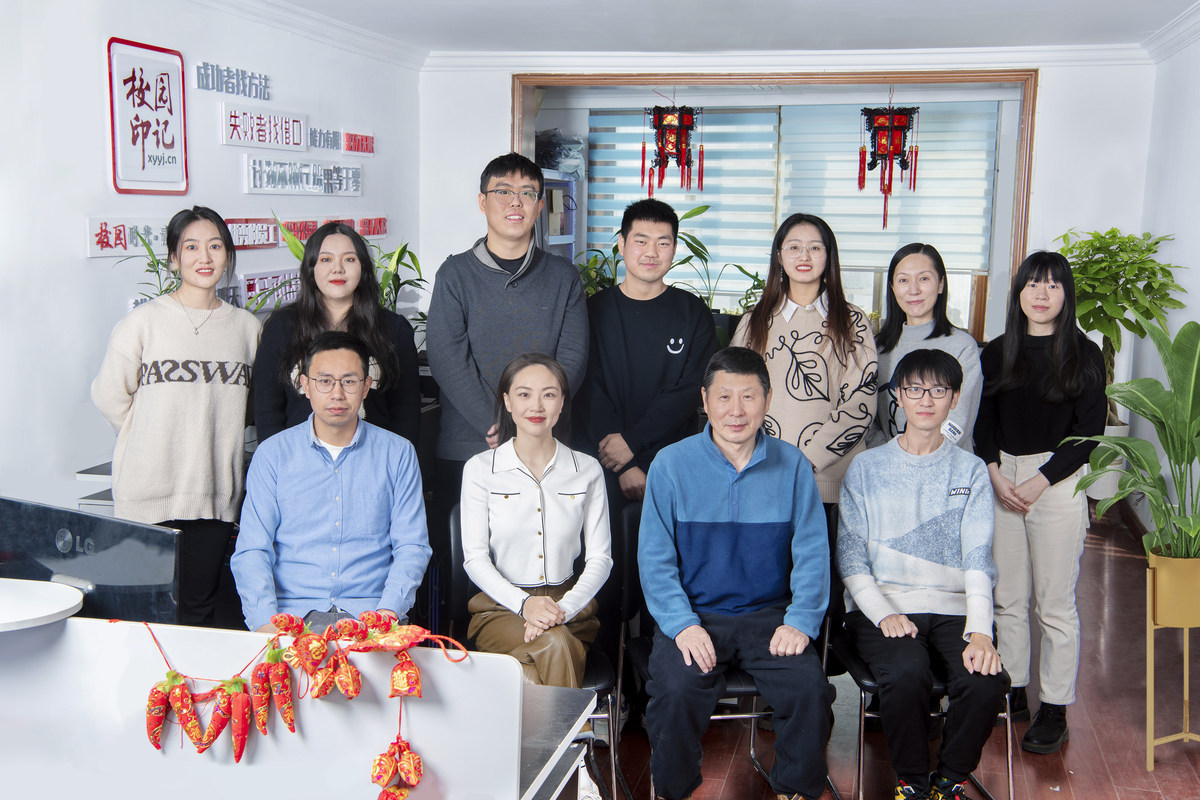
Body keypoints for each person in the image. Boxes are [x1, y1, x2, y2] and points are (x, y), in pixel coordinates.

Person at [638, 347, 834, 800]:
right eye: (724, 397)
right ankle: (672, 792)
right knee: (675, 691)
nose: (736, 410)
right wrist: (683, 625)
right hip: (696, 615)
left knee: (810, 691)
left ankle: (794, 791)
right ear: (705, 401)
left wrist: (801, 620)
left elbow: (812, 553)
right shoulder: (670, 464)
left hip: (770, 616)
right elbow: (655, 559)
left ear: (768, 400)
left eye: (749, 396)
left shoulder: (793, 465)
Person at [426, 152, 589, 627]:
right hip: (469, 446)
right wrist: (497, 422)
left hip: (547, 450)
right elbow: (447, 356)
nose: (515, 203)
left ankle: (547, 649)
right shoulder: (455, 274)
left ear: (540, 206)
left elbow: (572, 358)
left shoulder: (563, 277)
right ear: (483, 202)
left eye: (527, 194)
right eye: (503, 192)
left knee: (549, 563)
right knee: (467, 575)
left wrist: (531, 419)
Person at [839, 349, 1006, 800]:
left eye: (938, 390)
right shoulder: (867, 467)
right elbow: (850, 557)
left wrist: (981, 631)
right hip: (883, 605)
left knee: (984, 680)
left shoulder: (970, 470)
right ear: (897, 395)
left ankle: (949, 781)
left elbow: (978, 558)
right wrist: (882, 613)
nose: (926, 400)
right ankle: (911, 782)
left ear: (955, 398)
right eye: (914, 389)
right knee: (906, 671)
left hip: (953, 607)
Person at [92, 206, 261, 627]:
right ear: (173, 258)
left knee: (198, 613)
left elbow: (254, 405)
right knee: (143, 615)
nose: (204, 257)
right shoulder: (143, 322)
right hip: (146, 491)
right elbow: (108, 394)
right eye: (191, 247)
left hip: (213, 493)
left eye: (215, 246)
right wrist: (147, 438)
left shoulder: (246, 328)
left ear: (228, 255)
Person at [572, 198, 717, 668]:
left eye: (663, 242)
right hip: (603, 468)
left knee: (671, 576)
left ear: (675, 249)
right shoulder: (593, 310)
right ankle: (612, 685)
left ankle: (666, 678)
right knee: (605, 577)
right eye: (640, 240)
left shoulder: (692, 313)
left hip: (670, 469)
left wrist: (635, 450)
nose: (651, 252)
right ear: (621, 245)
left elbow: (688, 392)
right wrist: (623, 463)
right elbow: (588, 387)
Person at [973, 251, 1104, 754]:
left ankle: (1054, 707)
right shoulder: (998, 351)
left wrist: (1041, 479)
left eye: (1053, 285)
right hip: (1002, 477)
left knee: (1054, 603)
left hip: (1058, 481)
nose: (1042, 294)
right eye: (1033, 284)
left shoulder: (1085, 354)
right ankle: (1013, 691)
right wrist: (994, 471)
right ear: (1019, 292)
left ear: (1066, 294)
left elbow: (1088, 433)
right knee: (1007, 598)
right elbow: (984, 421)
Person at [731, 212, 877, 665]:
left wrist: (804, 461)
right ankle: (773, 676)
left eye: (815, 247)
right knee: (768, 584)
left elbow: (861, 400)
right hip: (763, 480)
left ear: (829, 257)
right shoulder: (755, 320)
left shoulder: (852, 321)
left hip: (826, 483)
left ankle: (814, 683)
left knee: (821, 587)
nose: (804, 256)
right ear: (779, 256)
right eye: (793, 247)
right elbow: (734, 397)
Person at [232, 331, 431, 633]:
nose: (337, 394)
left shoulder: (398, 453)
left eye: (349, 381)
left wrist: (388, 612)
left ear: (366, 386)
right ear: (305, 385)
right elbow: (252, 549)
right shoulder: (273, 454)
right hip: (291, 618)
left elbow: (412, 545)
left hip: (373, 616)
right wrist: (264, 624)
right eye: (324, 381)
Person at [460, 353, 612, 688]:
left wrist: (562, 609)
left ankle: (524, 715)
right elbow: (474, 559)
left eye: (549, 394)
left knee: (533, 670)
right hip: (501, 610)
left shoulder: (587, 469)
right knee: (555, 643)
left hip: (571, 608)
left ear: (562, 403)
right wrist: (525, 604)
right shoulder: (480, 470)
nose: (537, 406)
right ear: (507, 402)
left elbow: (601, 558)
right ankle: (571, 724)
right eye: (524, 394)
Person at [253, 221, 420, 446]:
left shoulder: (393, 329)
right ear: (311, 268)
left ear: (363, 267)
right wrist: (278, 460)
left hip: (374, 457)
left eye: (349, 259)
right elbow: (267, 410)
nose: (338, 269)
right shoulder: (282, 327)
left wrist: (396, 459)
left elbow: (406, 411)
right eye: (326, 259)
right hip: (299, 459)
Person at [870, 243, 982, 450]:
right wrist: (889, 456)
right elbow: (868, 419)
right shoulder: (877, 348)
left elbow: (958, 422)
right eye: (903, 280)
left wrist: (919, 457)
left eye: (924, 279)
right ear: (893, 288)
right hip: (888, 464)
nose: (913, 290)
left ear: (940, 285)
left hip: (947, 463)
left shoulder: (962, 346)